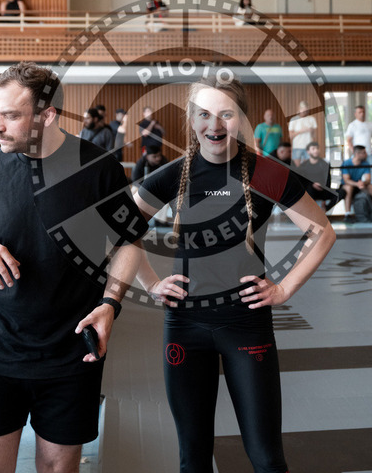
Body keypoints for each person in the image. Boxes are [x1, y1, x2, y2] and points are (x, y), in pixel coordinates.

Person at [133, 75, 335, 473]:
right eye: (204, 114)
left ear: (240, 119)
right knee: (193, 459)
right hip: (185, 325)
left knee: (266, 458)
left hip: (246, 323)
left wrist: (284, 289)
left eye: (226, 114)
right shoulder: (175, 174)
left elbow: (321, 231)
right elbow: (121, 227)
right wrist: (152, 283)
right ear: (192, 119)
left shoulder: (267, 173)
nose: (215, 125)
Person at [0, 62, 147, 473]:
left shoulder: (98, 169)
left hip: (70, 351)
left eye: (11, 115)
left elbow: (129, 241)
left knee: (57, 468)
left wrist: (111, 304)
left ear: (47, 115)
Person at [341, 144, 372, 222]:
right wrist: (357, 184)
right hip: (349, 185)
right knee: (349, 187)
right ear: (357, 154)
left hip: (359, 185)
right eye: (364, 153)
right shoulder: (346, 163)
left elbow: (368, 178)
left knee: (370, 187)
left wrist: (363, 183)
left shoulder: (365, 164)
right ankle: (347, 215)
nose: (366, 154)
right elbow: (346, 180)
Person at [299, 142, 336, 211]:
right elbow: (302, 182)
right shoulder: (303, 166)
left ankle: (326, 208)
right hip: (310, 190)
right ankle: (310, 212)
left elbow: (328, 181)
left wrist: (322, 186)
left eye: (317, 148)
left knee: (341, 192)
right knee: (308, 189)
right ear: (308, 152)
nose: (316, 150)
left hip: (323, 190)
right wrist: (312, 184)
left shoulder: (325, 164)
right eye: (313, 149)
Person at [345, 105, 372, 179]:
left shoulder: (370, 124)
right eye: (360, 112)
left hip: (368, 153)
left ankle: (370, 186)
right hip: (357, 155)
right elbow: (348, 140)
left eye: (363, 112)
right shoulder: (352, 125)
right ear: (355, 114)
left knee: (371, 173)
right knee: (356, 173)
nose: (362, 114)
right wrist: (354, 151)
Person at [288, 100, 317, 167]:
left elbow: (314, 135)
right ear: (299, 109)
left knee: (308, 168)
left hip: (309, 148)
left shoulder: (312, 119)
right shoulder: (293, 119)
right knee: (297, 169)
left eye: (306, 110)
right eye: (303, 110)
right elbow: (290, 136)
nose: (304, 112)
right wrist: (301, 131)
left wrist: (311, 131)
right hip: (297, 147)